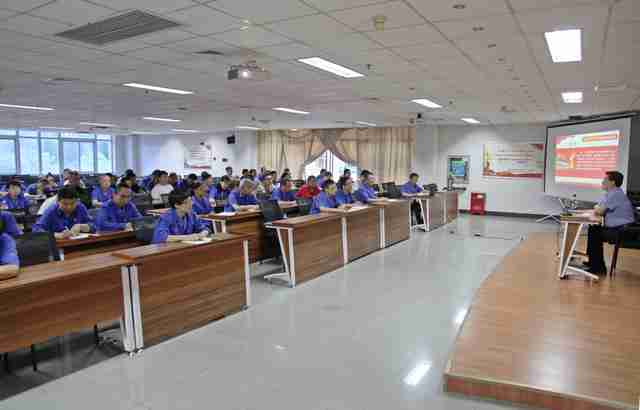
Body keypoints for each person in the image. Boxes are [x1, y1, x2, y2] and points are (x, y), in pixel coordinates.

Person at [584, 171, 636, 275]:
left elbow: (599, 210)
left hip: (622, 231)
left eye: (605, 180)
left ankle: (597, 267)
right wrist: (597, 208)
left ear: (613, 182)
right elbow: (599, 208)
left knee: (595, 232)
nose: (602, 182)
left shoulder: (616, 194)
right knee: (593, 228)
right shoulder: (611, 193)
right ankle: (594, 263)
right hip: (618, 228)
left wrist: (596, 207)